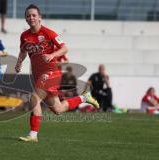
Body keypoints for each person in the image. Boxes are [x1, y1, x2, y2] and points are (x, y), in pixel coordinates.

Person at [15, 4, 99, 142]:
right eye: (28, 16)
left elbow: (65, 48)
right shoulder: (24, 36)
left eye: (34, 15)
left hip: (51, 72)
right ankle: (85, 98)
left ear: (40, 17)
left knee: (34, 98)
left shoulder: (48, 32)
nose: (31, 18)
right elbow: (23, 51)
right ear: (25, 19)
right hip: (38, 76)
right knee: (58, 109)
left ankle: (33, 135)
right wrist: (19, 62)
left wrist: (52, 55)